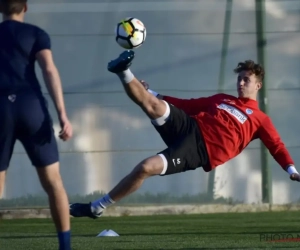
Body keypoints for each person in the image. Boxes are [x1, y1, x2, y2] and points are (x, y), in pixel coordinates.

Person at [70, 50, 299, 219]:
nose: (241, 83)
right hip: (188, 126)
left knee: (145, 168)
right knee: (152, 104)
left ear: (258, 85)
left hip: (198, 150)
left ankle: (96, 207)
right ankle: (123, 70)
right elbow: (187, 105)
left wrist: (292, 170)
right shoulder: (222, 99)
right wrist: (153, 92)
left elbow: (276, 146)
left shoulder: (260, 119)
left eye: (246, 80)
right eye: (239, 78)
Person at [0, 1, 73, 249]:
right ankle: (65, 246)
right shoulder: (36, 34)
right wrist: (62, 115)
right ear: (25, 8)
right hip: (32, 108)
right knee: (54, 182)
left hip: (1, 109)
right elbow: (49, 70)